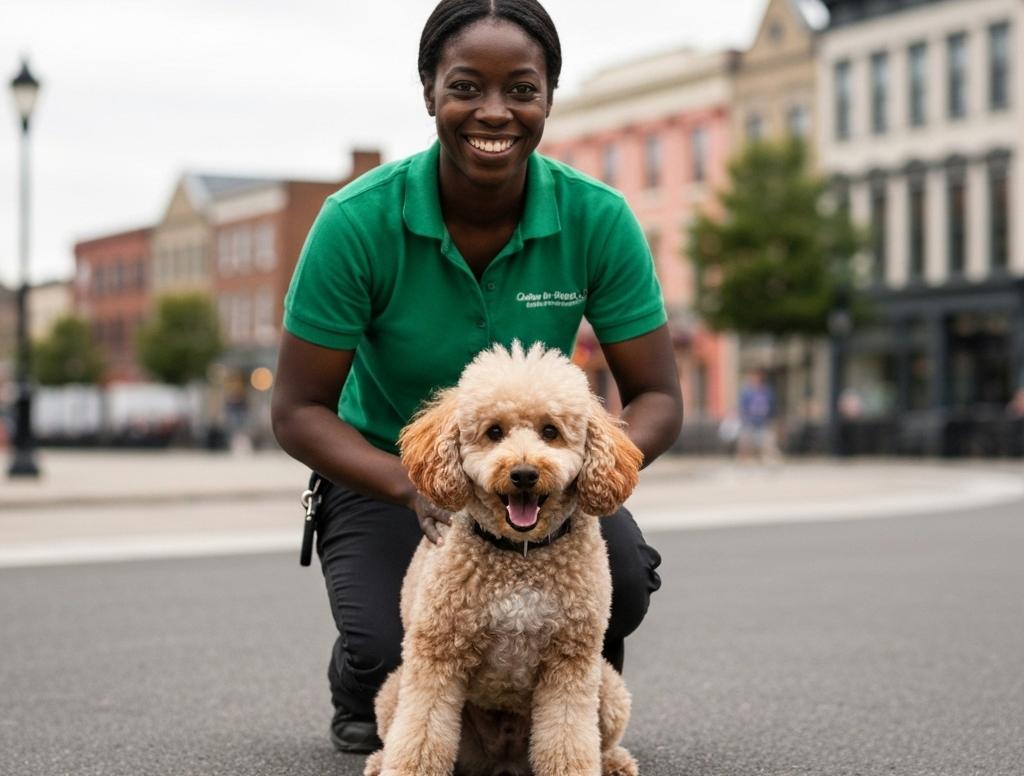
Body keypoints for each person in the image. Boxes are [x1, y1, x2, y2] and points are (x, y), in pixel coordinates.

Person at [271, 0, 683, 755]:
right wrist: (409, 484)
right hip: (386, 468)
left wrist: (594, 471)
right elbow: (296, 409)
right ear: (429, 90)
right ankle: (358, 675)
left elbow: (657, 396)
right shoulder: (356, 221)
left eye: (521, 89)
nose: (494, 112)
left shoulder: (599, 218)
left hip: (542, 475)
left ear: (549, 97)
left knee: (615, 578)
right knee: (391, 636)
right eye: (467, 87)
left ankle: (566, 690)